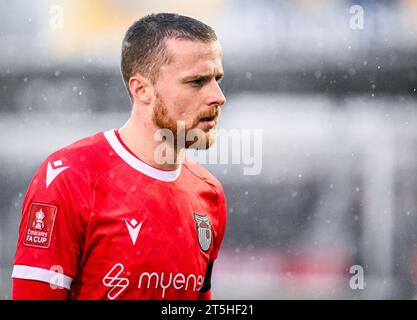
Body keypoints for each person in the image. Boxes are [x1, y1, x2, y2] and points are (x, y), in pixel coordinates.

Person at [11, 13, 227, 300]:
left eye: (217, 79)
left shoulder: (208, 193)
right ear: (142, 89)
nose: (218, 96)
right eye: (197, 82)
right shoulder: (70, 176)